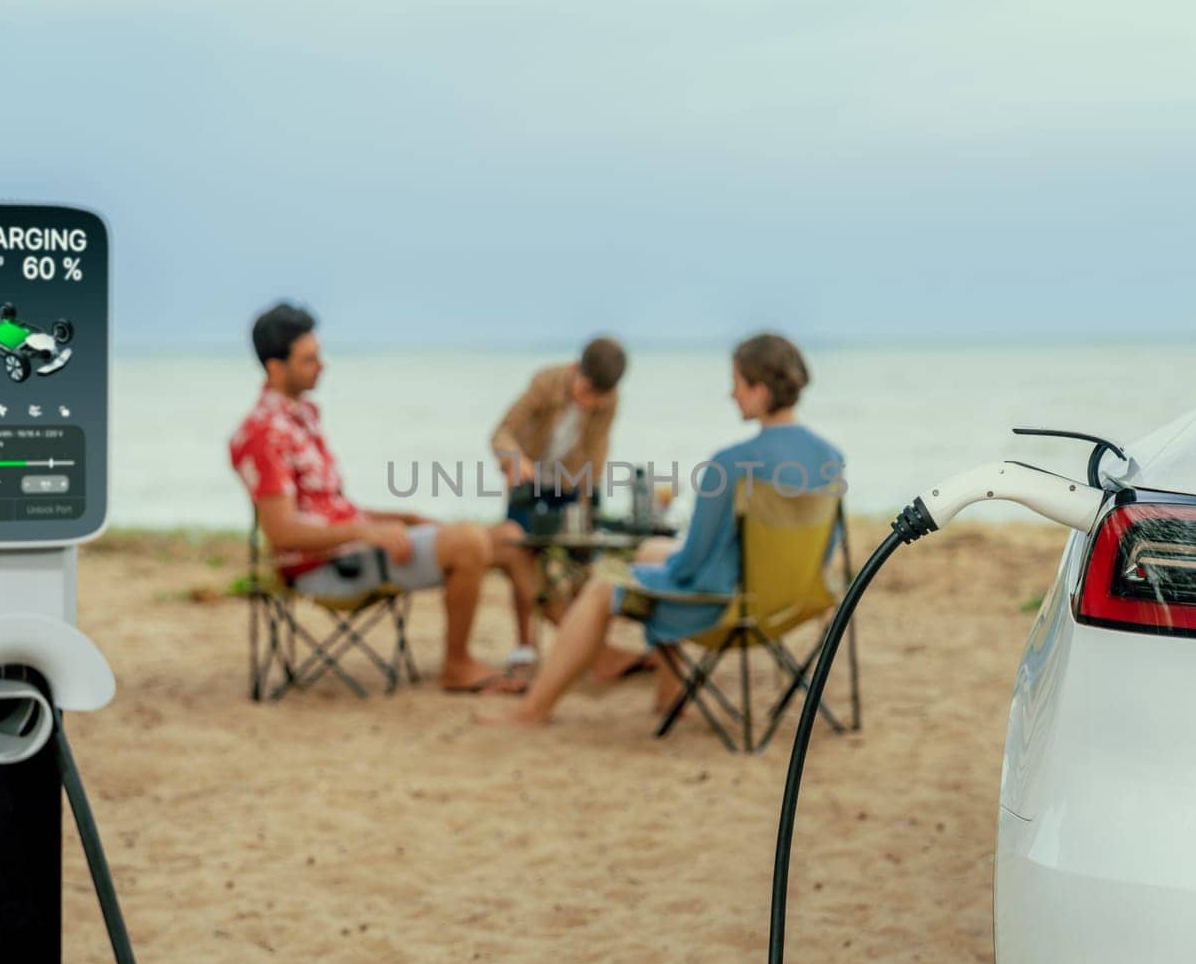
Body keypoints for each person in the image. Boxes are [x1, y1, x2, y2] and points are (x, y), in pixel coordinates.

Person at [482, 333, 844, 726]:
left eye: (736, 383)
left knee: (606, 582)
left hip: (726, 607)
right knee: (653, 548)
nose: (731, 394)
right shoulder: (830, 459)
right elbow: (825, 551)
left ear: (759, 390)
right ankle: (671, 701)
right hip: (793, 600)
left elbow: (691, 564)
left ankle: (533, 709)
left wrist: (649, 575)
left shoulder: (729, 464)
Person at [230, 301, 533, 695]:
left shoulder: (301, 419)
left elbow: (331, 508)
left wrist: (403, 518)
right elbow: (284, 533)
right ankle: (457, 665)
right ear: (275, 367)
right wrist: (367, 533)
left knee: (510, 538)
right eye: (309, 359)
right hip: (328, 569)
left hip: (355, 548)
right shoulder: (262, 433)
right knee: (468, 541)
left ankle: (543, 653)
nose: (322, 365)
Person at [489, 337, 626, 669]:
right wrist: (514, 460)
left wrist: (586, 497)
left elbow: (597, 451)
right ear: (574, 370)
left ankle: (584, 646)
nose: (592, 403)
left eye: (600, 397)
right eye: (587, 393)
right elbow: (502, 433)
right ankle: (526, 645)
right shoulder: (545, 383)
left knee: (584, 562)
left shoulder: (608, 401)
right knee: (521, 554)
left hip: (571, 484)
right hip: (528, 480)